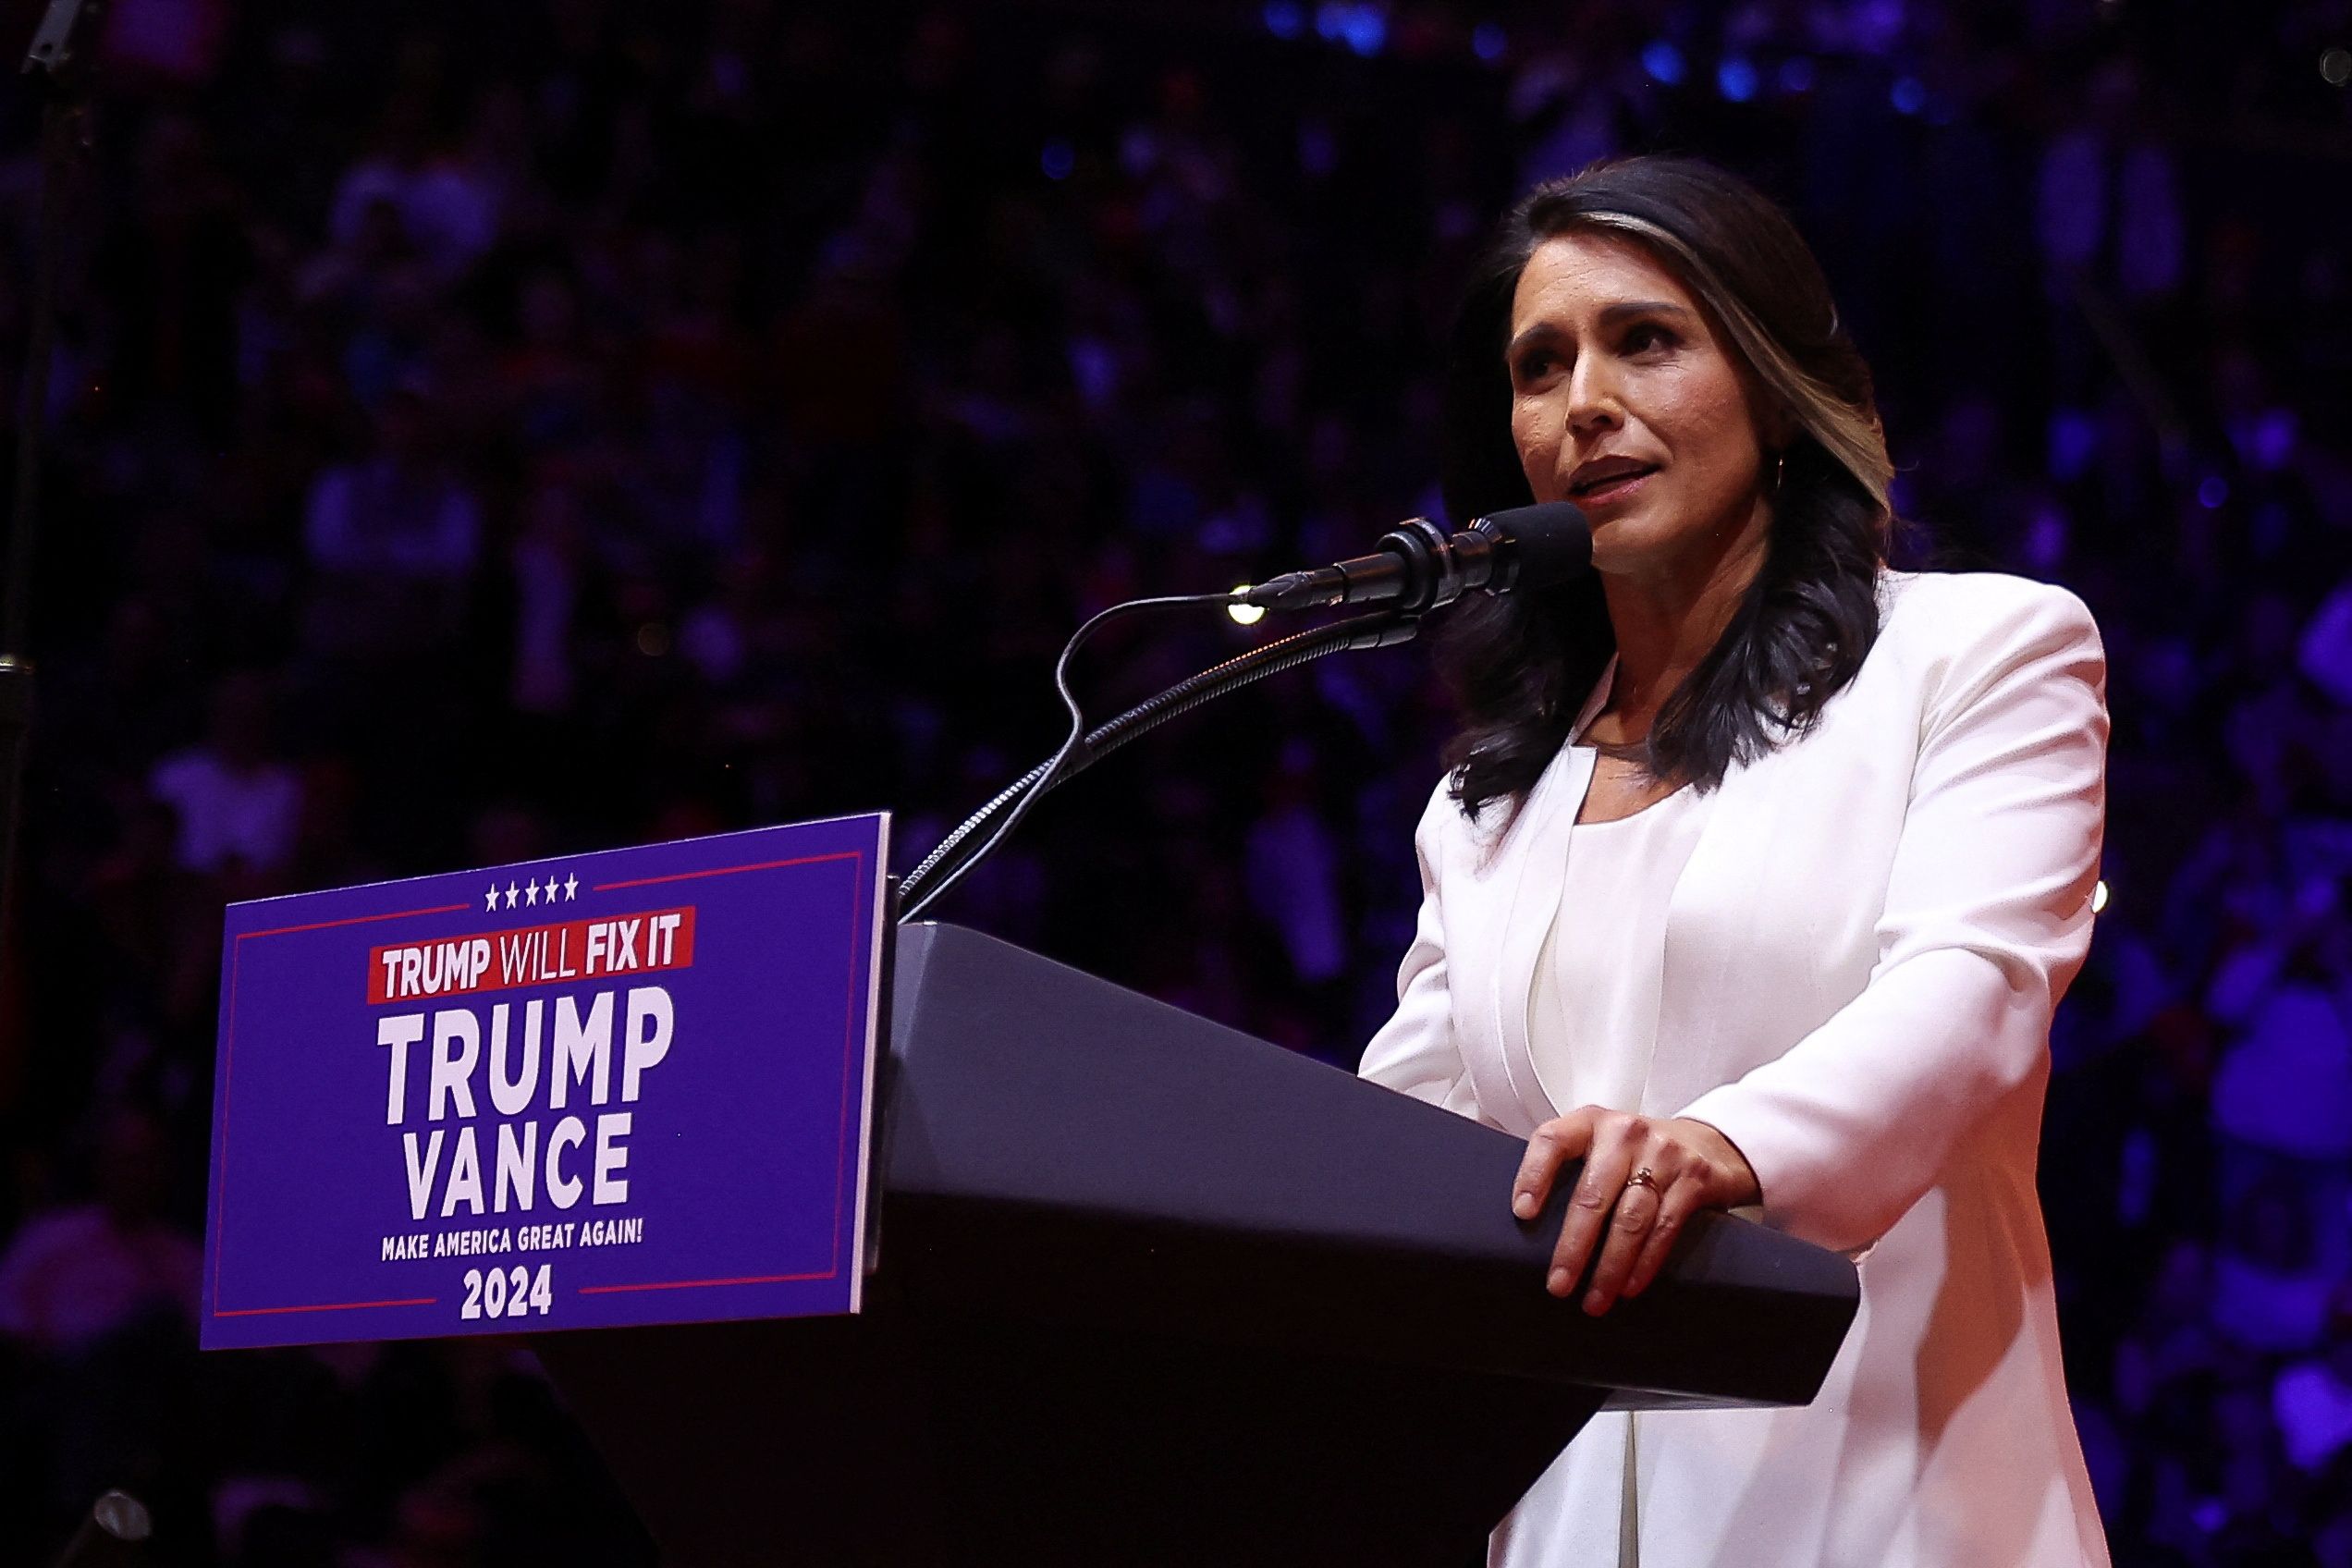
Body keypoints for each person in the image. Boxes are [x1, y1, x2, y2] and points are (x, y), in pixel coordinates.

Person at [1357, 155, 2113, 1567]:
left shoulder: (1977, 656)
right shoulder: (1486, 805)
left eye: (1647, 340)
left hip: (1894, 1501)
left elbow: (1974, 995)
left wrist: (1725, 1145)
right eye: (1540, 366)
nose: (1584, 401)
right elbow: (1403, 1142)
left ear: (1771, 385)